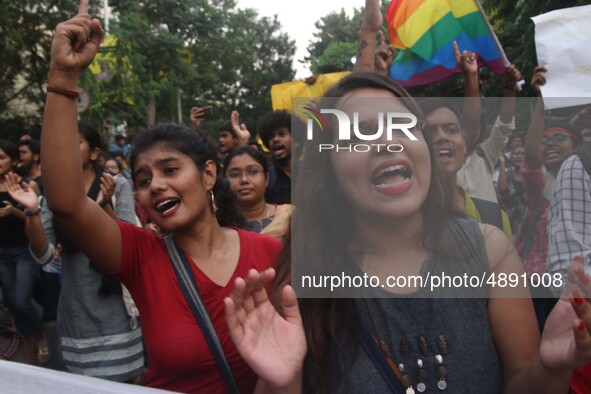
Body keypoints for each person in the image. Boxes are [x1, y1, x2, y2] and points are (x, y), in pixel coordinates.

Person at [224, 71, 591, 394]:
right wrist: (282, 382)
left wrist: (551, 367)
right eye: (362, 133)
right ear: (330, 170)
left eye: (403, 126)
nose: (388, 143)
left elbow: (522, 383)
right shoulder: (301, 274)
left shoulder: (491, 250)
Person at [41, 3, 282, 391]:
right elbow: (67, 203)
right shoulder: (141, 257)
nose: (154, 185)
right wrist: (64, 76)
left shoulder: (269, 255)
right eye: (142, 179)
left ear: (207, 174)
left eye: (170, 170)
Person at [0, 139, 47, 365]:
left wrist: (13, 212)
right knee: (11, 302)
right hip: (2, 252)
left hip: (23, 251)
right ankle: (26, 341)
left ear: (13, 161)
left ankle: (39, 336)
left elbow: (34, 220)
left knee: (21, 300)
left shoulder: (26, 185)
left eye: (2, 158)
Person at [223, 145, 292, 238]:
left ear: (266, 179)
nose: (244, 180)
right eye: (235, 174)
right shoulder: (218, 226)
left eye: (253, 172)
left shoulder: (290, 217)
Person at [258, 110, 304, 205]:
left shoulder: (312, 172)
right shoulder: (265, 177)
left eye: (282, 134)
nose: (275, 139)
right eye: (271, 137)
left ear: (297, 142)